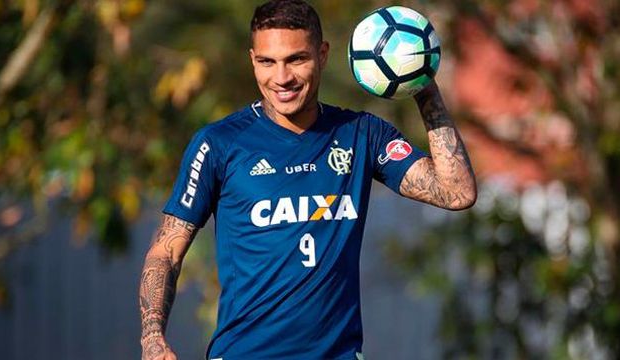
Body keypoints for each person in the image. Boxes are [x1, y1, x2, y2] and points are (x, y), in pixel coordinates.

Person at [139, 0, 476, 359]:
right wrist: (152, 337)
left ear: (323, 54)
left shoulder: (361, 135)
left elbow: (456, 193)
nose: (281, 78)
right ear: (253, 60)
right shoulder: (219, 143)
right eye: (267, 62)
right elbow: (166, 251)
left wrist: (420, 80)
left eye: (296, 59)